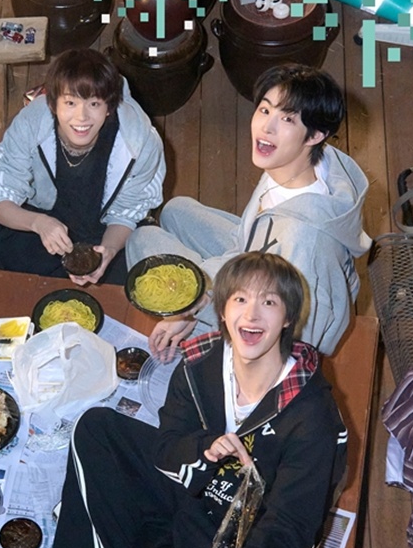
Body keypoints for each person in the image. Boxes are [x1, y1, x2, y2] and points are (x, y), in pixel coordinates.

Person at [49, 252, 347, 548]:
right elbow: (167, 444)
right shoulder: (198, 366)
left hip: (245, 532)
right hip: (197, 486)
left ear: (288, 318)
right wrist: (203, 448)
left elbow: (292, 523)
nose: (252, 314)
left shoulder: (312, 415)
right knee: (96, 428)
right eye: (240, 299)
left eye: (269, 302)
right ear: (222, 311)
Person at [126, 64, 370, 357]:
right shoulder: (297, 162)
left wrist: (194, 309)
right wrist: (203, 294)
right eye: (265, 110)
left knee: (141, 241)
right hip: (258, 258)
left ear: (315, 135)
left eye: (287, 119)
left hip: (266, 330)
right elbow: (245, 245)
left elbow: (295, 342)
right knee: (175, 211)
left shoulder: (307, 244)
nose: (267, 128)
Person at [0, 48, 166, 286]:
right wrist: (38, 223)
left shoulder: (139, 142)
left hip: (105, 229)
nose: (81, 117)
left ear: (109, 107)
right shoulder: (32, 123)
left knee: (137, 286)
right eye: (70, 103)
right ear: (53, 104)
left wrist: (108, 250)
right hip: (43, 219)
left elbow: (125, 214)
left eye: (94, 104)